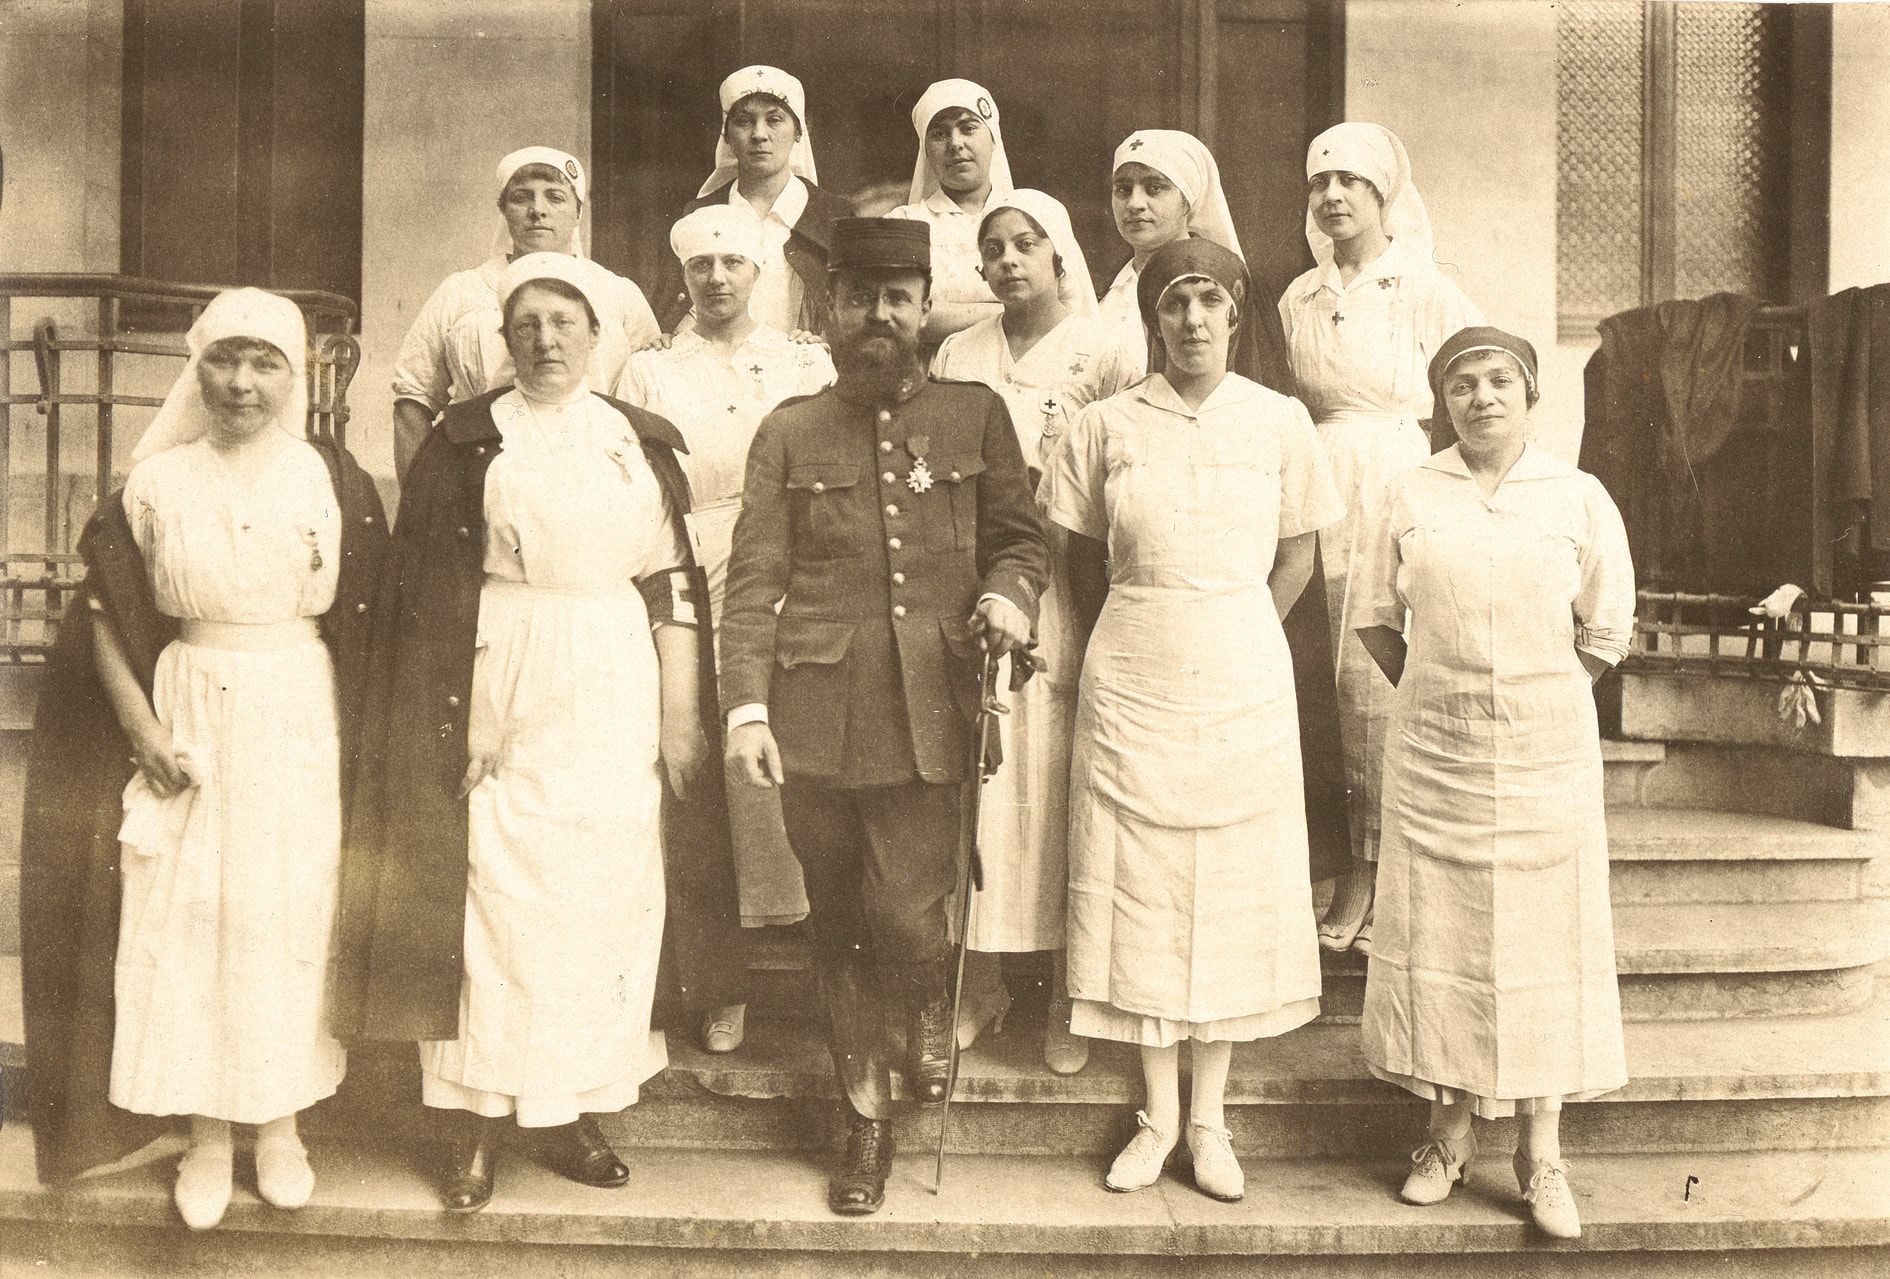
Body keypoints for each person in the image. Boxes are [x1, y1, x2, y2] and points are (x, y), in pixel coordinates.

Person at [331, 252, 743, 1214]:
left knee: (599, 894)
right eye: (526, 326)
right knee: (497, 892)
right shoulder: (466, 440)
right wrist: (465, 713)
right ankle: (476, 1122)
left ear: (597, 336)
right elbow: (435, 596)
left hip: (612, 674)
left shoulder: (636, 440)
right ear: (501, 341)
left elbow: (670, 578)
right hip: (500, 664)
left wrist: (681, 714)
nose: (546, 340)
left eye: (565, 322)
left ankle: (564, 1109)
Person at [18, 288, 388, 1228]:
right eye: (224, 359)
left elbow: (368, 624)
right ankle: (208, 1132)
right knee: (190, 912)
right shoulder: (156, 480)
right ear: (197, 367)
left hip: (297, 707)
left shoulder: (331, 479)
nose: (242, 382)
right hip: (186, 706)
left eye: (266, 363)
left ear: (294, 375)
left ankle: (281, 1122)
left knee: (283, 908)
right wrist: (142, 727)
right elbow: (104, 611)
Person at [720, 217, 1046, 1216]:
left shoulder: (977, 413)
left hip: (932, 707)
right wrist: (744, 708)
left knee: (908, 912)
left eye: (896, 298)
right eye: (859, 298)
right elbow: (753, 579)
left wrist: (1009, 596)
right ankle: (863, 1112)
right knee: (839, 918)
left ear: (921, 307)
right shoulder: (787, 429)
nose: (878, 317)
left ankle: (929, 1002)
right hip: (816, 712)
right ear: (830, 311)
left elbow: (1019, 541)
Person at [1045, 239, 1343, 1204]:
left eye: (1209, 301)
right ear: (1153, 319)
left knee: (1228, 880)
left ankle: (1210, 1118)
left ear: (1236, 312)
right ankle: (1155, 1114)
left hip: (1242, 663)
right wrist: (1142, 623)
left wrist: (1230, 614)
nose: (1192, 321)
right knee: (1144, 880)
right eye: (1175, 304)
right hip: (1131, 662)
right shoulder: (1103, 424)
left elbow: (1296, 556)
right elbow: (1079, 558)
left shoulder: (1281, 420)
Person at [1353, 327, 1632, 1239]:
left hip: (1547, 750)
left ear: (1530, 393)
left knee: (1544, 941)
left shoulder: (1578, 496)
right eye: (1463, 383)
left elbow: (1605, 629)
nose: (1482, 396)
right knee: (1445, 934)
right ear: (1443, 400)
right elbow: (1373, 617)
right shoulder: (1409, 491)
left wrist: (1533, 700)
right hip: (1435, 751)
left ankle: (1541, 1151)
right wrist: (1449, 696)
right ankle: (1445, 1135)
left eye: (1499, 379)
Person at [616, 204, 837, 1051]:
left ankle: (821, 963)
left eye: (732, 264)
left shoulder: (800, 363)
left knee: (793, 760)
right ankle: (718, 979)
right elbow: (638, 480)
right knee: (697, 769)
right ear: (683, 276)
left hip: (784, 564)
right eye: (701, 265)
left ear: (759, 273)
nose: (715, 279)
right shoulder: (650, 372)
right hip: (681, 555)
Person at [929, 189, 1137, 1073]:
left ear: (1059, 257)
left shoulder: (1104, 348)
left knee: (1058, 782)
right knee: (984, 781)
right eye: (995, 248)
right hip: (977, 580)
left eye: (1028, 244)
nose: (1011, 260)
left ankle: (1062, 989)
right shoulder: (957, 352)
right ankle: (979, 983)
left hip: (1070, 583)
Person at [1279, 122, 1484, 955]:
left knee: (1377, 676)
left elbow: (1476, 387)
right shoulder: (1298, 295)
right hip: (1318, 474)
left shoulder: (1427, 289)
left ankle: (1378, 877)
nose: (1333, 198)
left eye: (1351, 184)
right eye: (1320, 183)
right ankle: (1334, 866)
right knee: (1319, 674)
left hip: (1400, 475)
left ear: (1384, 196)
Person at [388, 146, 661, 477]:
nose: (538, 210)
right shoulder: (462, 291)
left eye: (555, 197)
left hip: (595, 468)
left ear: (578, 210)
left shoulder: (619, 294)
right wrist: (424, 501)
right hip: (482, 467)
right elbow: (412, 399)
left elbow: (650, 392)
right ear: (502, 208)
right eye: (522, 197)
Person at [653, 65, 855, 337]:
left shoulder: (834, 215)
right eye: (744, 121)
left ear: (799, 131)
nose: (759, 134)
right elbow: (673, 314)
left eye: (774, 120)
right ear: (726, 135)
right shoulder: (697, 216)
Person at [1097, 129, 1293, 392]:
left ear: (1188, 201)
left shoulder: (1238, 287)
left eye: (1154, 188)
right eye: (1123, 189)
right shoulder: (1099, 288)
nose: (1134, 203)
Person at [889, 79, 1015, 348]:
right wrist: (1014, 312)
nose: (955, 143)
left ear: (993, 138)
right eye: (940, 134)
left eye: (968, 128)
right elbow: (903, 314)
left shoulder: (1035, 215)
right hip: (936, 377)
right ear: (926, 150)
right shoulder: (903, 224)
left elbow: (1069, 310)